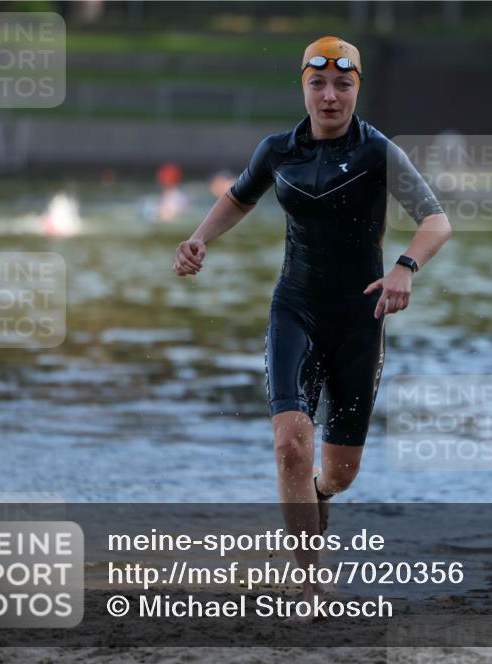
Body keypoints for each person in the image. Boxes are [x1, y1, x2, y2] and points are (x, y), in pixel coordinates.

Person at [172, 36, 451, 618]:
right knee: (289, 442)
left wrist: (405, 266)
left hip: (361, 316)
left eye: (342, 85)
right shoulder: (278, 150)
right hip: (294, 307)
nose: (329, 97)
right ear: (303, 86)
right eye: (318, 84)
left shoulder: (378, 152)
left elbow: (436, 221)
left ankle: (322, 496)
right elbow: (239, 198)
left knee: (340, 473)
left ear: (357, 89)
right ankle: (309, 584)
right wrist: (199, 238)